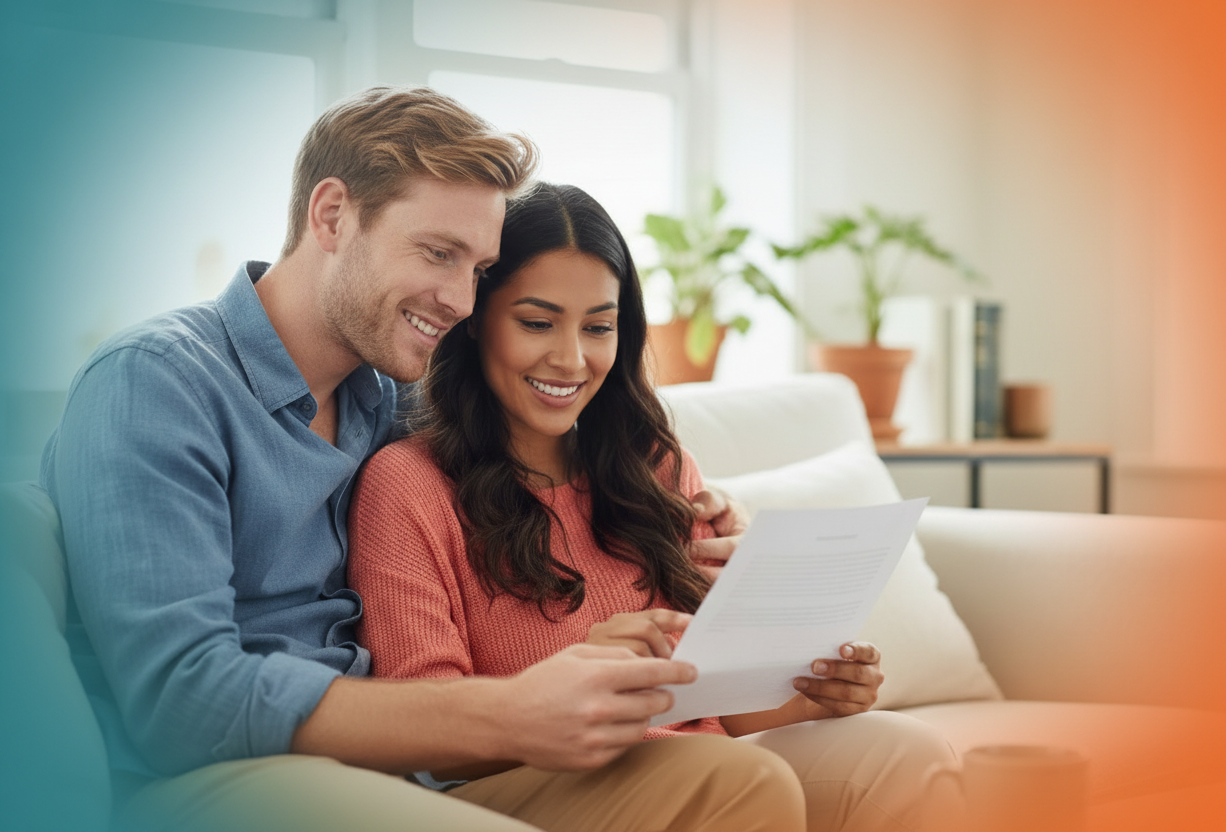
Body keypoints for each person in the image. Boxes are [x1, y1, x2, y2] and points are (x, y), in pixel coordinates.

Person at [39, 86, 808, 832]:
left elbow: (539, 456)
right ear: (332, 214)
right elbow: (182, 700)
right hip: (211, 781)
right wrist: (506, 711)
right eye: (438, 253)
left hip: (392, 775)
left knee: (738, 784)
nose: (463, 301)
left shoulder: (387, 401)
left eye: (476, 271)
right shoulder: (157, 383)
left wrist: (701, 517)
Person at [347, 182, 956, 831]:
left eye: (599, 326)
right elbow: (430, 736)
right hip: (512, 788)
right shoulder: (408, 485)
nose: (571, 358)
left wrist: (812, 694)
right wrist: (581, 685)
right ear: (475, 322)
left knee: (907, 753)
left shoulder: (658, 469)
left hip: (695, 767)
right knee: (739, 778)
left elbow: (716, 708)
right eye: (536, 321)